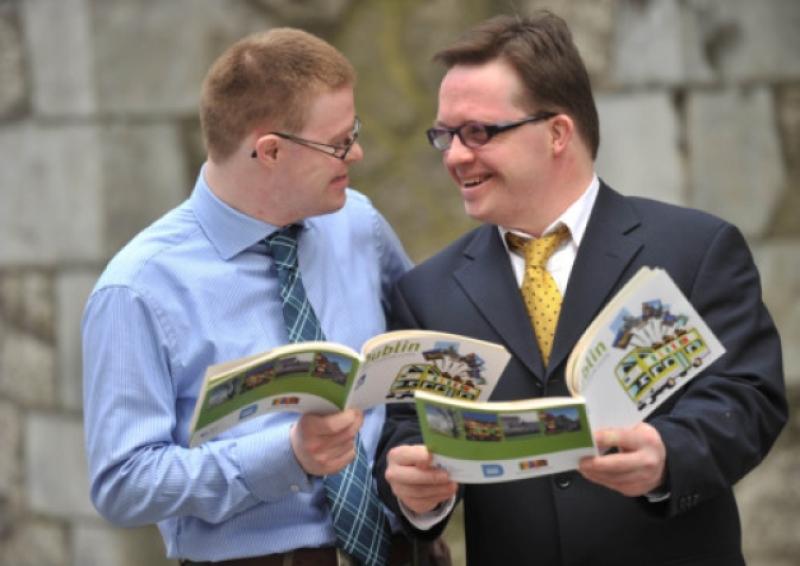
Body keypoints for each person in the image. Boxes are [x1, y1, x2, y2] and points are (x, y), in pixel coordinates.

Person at [375, 12, 787, 566]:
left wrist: (668, 456)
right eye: (444, 136)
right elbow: (403, 438)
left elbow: (748, 398)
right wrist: (415, 492)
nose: (453, 155)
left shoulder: (695, 248)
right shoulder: (425, 291)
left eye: (478, 132)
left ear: (557, 133)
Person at [82, 27, 436, 565]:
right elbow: (123, 483)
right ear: (269, 150)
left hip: (405, 550)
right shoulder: (138, 288)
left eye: (354, 131)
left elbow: (420, 363)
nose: (357, 152)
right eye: (339, 141)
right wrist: (286, 455)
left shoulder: (359, 225)